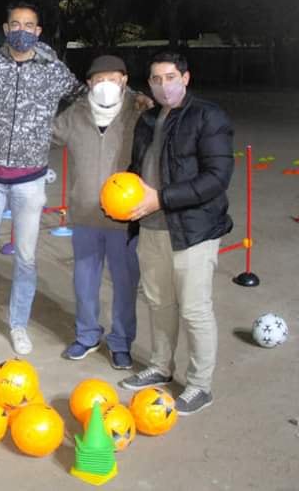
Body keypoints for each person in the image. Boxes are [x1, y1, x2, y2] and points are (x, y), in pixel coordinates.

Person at [0, 2, 86, 355]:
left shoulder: (52, 69)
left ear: (39, 30)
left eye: (29, 25)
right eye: (16, 24)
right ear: (5, 27)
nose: (22, 30)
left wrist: (53, 132)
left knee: (26, 258)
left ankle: (18, 324)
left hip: (31, 179)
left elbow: (86, 98)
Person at [119, 52, 234, 416]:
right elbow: (139, 168)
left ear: (186, 78)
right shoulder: (148, 118)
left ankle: (200, 385)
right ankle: (160, 366)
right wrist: (123, 193)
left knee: (195, 309)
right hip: (152, 226)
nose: (163, 85)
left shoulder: (208, 116)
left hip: (194, 229)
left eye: (170, 77)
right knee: (159, 302)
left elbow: (217, 178)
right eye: (156, 79)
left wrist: (161, 198)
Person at [52, 55, 141, 370]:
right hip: (85, 214)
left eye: (113, 79)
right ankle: (87, 335)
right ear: (88, 83)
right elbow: (43, 139)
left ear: (125, 80)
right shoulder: (74, 115)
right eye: (99, 80)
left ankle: (121, 342)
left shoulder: (139, 112)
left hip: (125, 216)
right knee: (85, 280)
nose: (106, 86)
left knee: (125, 282)